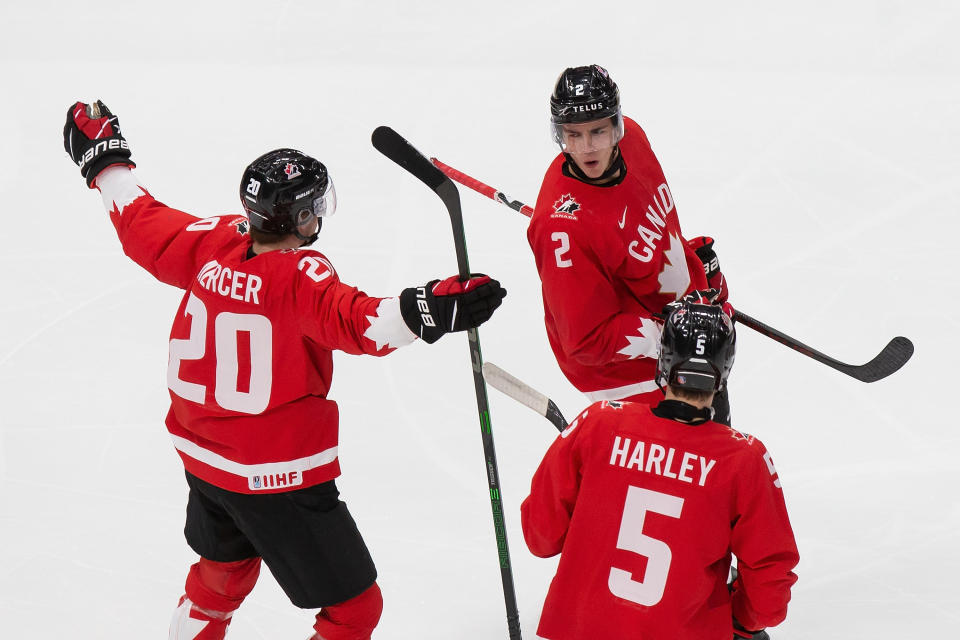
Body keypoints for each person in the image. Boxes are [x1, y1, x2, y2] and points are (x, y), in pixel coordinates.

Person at [63, 101, 507, 640]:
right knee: (355, 610)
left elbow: (140, 223)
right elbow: (360, 323)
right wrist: (431, 308)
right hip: (275, 475)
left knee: (220, 576)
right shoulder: (299, 276)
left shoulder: (214, 241)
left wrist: (105, 164)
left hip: (205, 461)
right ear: (298, 216)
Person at [520, 298, 799, 640]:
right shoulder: (744, 459)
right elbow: (769, 592)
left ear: (663, 360)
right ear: (723, 371)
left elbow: (540, 536)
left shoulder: (598, 424)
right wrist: (740, 619)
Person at [527, 64, 733, 424]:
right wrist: (668, 335)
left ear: (617, 125)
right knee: (687, 465)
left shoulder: (634, 139)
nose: (586, 148)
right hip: (627, 376)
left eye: (598, 132)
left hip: (682, 329)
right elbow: (585, 341)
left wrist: (688, 263)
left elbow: (649, 221)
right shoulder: (561, 231)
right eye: (572, 135)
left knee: (715, 449)